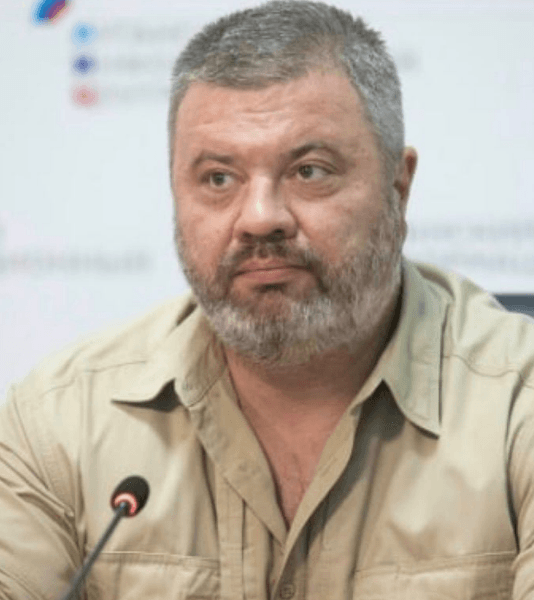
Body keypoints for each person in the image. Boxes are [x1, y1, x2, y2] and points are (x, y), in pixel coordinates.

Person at [1, 1, 533, 598]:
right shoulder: (60, 421)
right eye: (218, 179)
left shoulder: (517, 402)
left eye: (310, 171)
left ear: (399, 187)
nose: (259, 218)